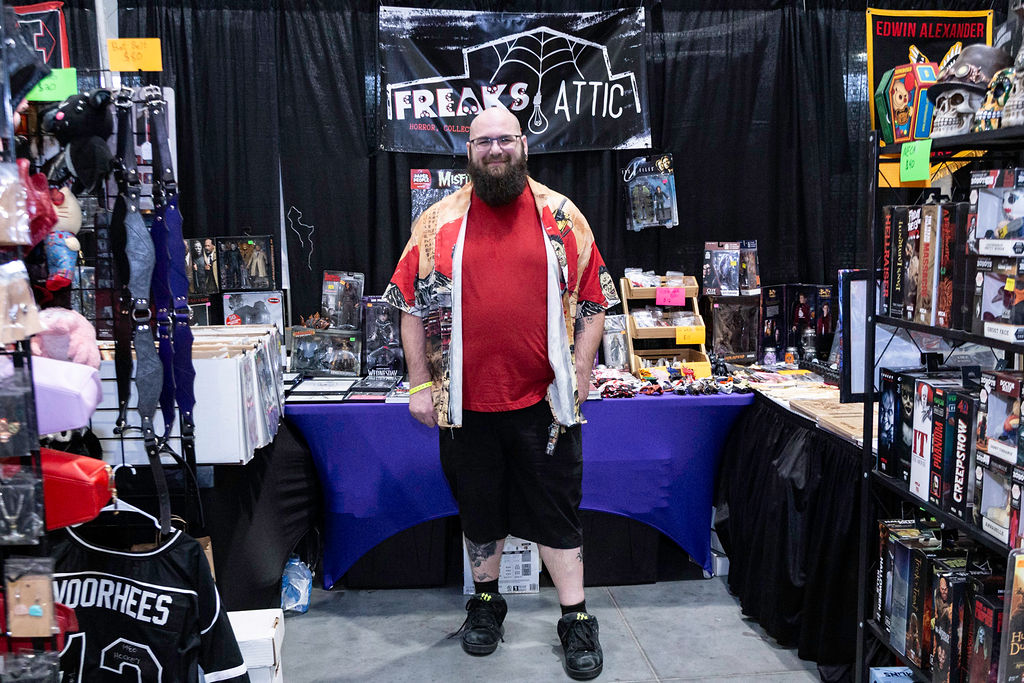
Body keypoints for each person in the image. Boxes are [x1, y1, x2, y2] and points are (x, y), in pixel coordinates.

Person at [384, 106, 618, 681]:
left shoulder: (562, 217)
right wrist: (419, 384)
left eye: (505, 139)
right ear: (468, 152)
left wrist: (581, 372)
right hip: (465, 407)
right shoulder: (437, 223)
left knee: (557, 514)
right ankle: (486, 606)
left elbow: (595, 302)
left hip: (545, 406)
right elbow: (408, 306)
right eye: (483, 142)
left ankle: (575, 617)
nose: (495, 150)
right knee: (480, 512)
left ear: (524, 145)